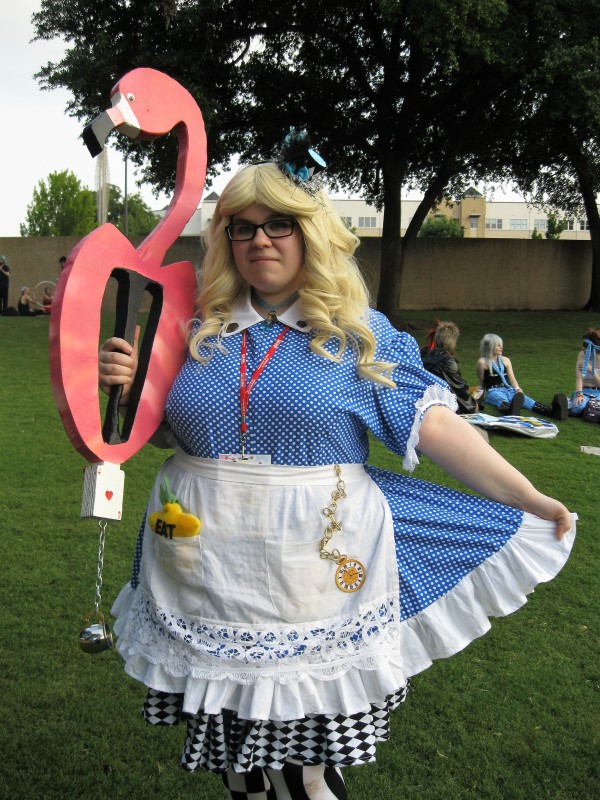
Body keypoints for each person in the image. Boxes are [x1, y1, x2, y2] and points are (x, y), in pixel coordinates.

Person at [99, 138, 573, 800]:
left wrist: (527, 496)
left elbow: (435, 427)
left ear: (310, 232)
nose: (259, 240)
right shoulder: (198, 329)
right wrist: (131, 388)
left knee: (302, 773)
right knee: (240, 764)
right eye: (242, 228)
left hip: (311, 576)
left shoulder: (355, 334)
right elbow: (172, 433)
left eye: (278, 224)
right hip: (205, 569)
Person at [477, 333, 568, 420]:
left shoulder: (506, 360)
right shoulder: (482, 362)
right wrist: (479, 398)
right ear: (490, 347)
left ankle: (553, 412)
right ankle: (511, 410)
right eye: (498, 345)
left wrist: (517, 389)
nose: (501, 347)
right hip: (494, 391)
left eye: (501, 345)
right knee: (501, 400)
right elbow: (482, 382)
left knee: (530, 402)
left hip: (509, 389)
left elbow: (512, 379)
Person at [421, 320, 481, 415]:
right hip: (446, 406)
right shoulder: (447, 362)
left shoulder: (423, 356)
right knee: (478, 393)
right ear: (452, 341)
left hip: (426, 402)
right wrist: (473, 405)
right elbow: (459, 389)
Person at [570, 327, 600, 416]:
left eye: (586, 348)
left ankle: (589, 410)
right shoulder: (581, 355)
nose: (583, 349)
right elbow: (579, 378)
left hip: (598, 391)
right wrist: (579, 394)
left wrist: (592, 370)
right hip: (584, 390)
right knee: (578, 407)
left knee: (593, 408)